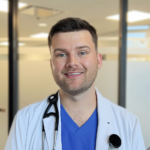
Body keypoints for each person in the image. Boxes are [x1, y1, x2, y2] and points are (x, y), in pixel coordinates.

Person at [4, 18, 145, 150]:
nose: (72, 63)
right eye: (61, 54)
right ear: (51, 64)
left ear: (99, 61)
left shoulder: (128, 124)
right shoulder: (25, 121)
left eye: (82, 52)